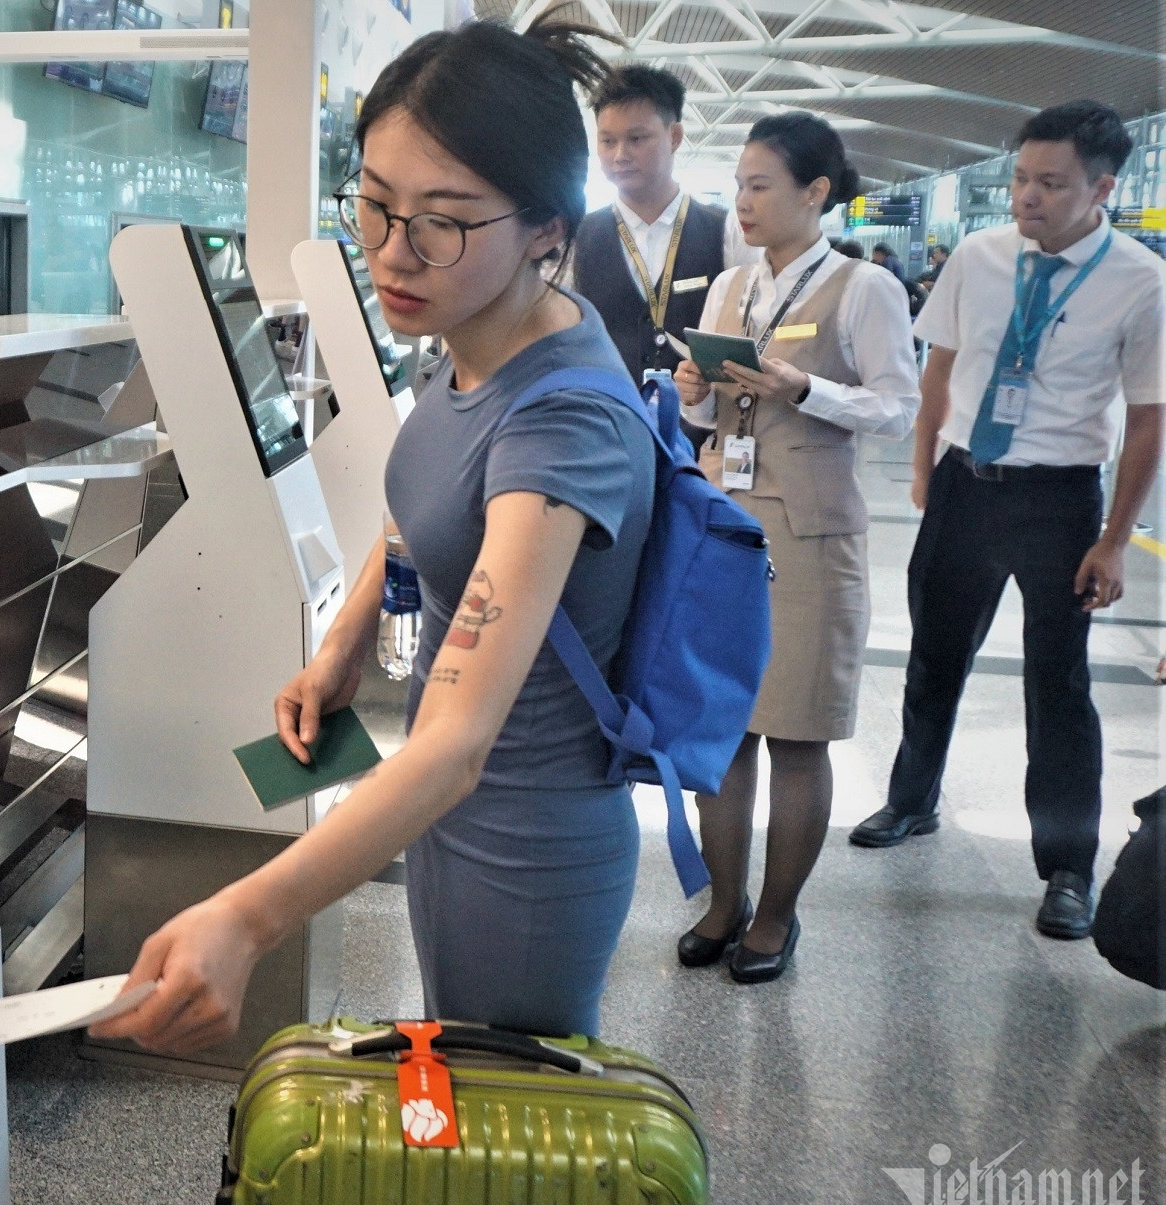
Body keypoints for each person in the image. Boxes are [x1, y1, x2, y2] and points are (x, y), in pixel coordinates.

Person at [94, 19, 657, 1053]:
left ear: (545, 227)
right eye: (375, 204)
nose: (394, 253)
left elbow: (458, 743)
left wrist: (247, 914)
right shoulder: (478, 330)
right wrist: (348, 639)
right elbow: (431, 494)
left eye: (441, 222)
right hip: (450, 819)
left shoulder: (563, 419)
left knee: (505, 1151)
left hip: (523, 846)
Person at [850, 100, 1165, 941]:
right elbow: (939, 370)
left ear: (1102, 187)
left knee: (1056, 685)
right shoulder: (981, 258)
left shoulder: (1141, 280)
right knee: (933, 657)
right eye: (1022, 178)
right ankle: (912, 800)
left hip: (1060, 498)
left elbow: (1147, 420)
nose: (1027, 196)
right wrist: (923, 472)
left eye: (1050, 183)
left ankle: (1066, 866)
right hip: (964, 484)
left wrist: (1113, 541)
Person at [672, 112, 919, 983]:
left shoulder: (862, 289)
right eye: (737, 184)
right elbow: (704, 420)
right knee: (725, 728)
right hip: (725, 527)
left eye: (760, 185)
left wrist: (804, 387)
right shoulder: (729, 290)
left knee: (799, 734)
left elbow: (898, 406)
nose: (741, 201)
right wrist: (694, 390)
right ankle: (722, 902)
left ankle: (776, 918)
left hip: (812, 535)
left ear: (816, 193)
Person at [571, 64, 754, 386]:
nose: (620, 155)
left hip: (702, 428)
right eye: (607, 141)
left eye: (637, 138)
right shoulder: (577, 237)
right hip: (609, 420)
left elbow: (752, 329)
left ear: (675, 136)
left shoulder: (727, 231)